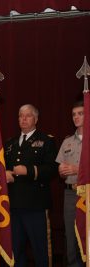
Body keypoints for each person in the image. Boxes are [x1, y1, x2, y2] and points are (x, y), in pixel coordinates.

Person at [4, 104, 58, 267]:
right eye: (21, 116)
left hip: (36, 204)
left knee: (40, 250)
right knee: (16, 250)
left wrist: (28, 170)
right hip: (14, 204)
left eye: (28, 116)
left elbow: (52, 169)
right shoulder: (10, 143)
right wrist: (4, 174)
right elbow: (2, 166)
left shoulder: (46, 140)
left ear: (36, 119)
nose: (24, 119)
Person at [56, 101, 85, 267]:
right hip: (70, 193)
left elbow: (77, 169)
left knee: (86, 234)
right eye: (74, 114)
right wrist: (62, 171)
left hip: (87, 193)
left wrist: (77, 169)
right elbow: (60, 167)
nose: (76, 117)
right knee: (70, 235)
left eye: (80, 113)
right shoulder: (67, 142)